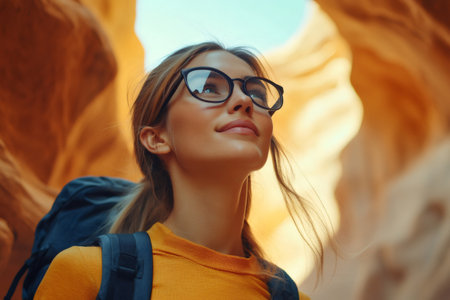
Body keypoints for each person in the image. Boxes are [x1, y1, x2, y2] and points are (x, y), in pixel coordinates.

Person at [35, 42, 328, 299]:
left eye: (256, 93)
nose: (245, 101)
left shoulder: (289, 296)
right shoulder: (86, 274)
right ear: (157, 138)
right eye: (208, 87)